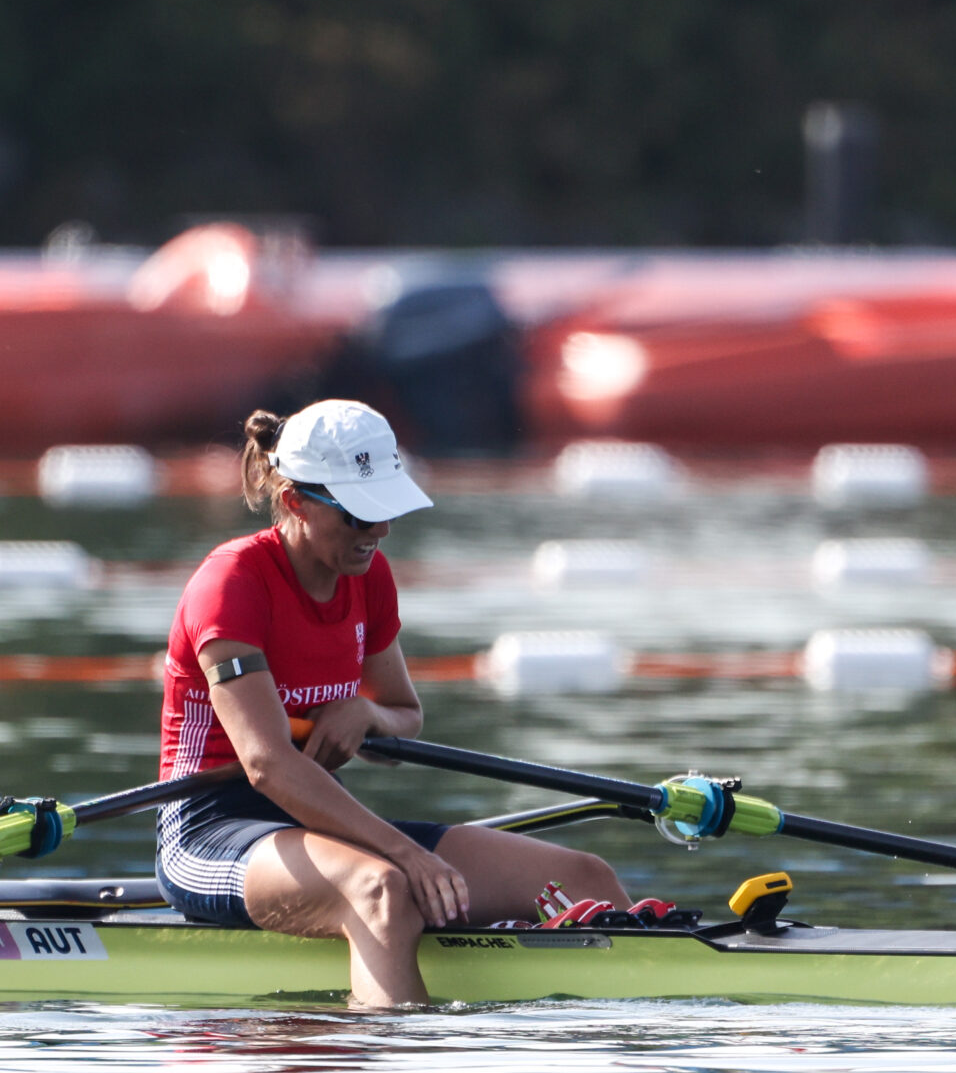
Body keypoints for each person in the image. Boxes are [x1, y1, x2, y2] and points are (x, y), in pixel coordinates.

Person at [156, 399, 635, 1006]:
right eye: (359, 515)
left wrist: (367, 712)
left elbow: (404, 715)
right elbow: (267, 765)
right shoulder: (231, 586)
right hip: (209, 829)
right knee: (383, 889)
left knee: (583, 877)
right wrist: (407, 855)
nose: (378, 532)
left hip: (313, 820)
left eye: (385, 511)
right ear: (295, 502)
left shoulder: (368, 576)